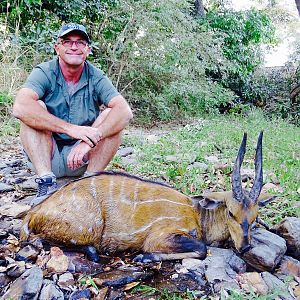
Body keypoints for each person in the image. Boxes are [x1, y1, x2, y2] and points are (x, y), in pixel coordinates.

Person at [13, 23, 133, 205]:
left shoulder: (96, 75)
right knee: (34, 108)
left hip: (82, 159)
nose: (74, 47)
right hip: (47, 155)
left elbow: (124, 112)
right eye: (67, 42)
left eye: (80, 42)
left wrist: (88, 140)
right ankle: (46, 183)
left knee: (112, 114)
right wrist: (71, 129)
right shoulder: (44, 72)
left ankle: (89, 183)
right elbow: (20, 106)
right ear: (57, 48)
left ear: (88, 50)